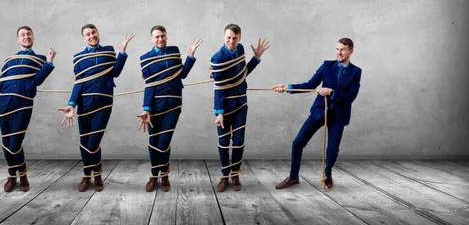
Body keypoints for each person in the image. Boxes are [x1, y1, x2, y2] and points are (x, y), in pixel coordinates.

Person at [0, 26, 56, 192]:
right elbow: (0, 82)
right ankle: (13, 175)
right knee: (6, 143)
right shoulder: (9, 60)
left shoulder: (39, 59)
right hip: (4, 103)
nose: (26, 37)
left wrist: (49, 63)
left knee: (15, 143)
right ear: (18, 40)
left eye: (28, 34)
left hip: (23, 103)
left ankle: (22, 173)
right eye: (22, 35)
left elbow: (37, 81)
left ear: (33, 37)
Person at [273, 38, 362, 190]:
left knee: (332, 151)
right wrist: (287, 87)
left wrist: (331, 92)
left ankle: (327, 174)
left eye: (342, 50)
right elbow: (310, 85)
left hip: (338, 116)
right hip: (319, 112)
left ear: (351, 51)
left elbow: (351, 97)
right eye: (337, 49)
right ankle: (293, 177)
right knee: (297, 143)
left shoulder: (356, 72)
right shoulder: (327, 65)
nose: (338, 53)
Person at [59, 24, 134, 192]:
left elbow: (115, 72)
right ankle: (88, 175)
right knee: (84, 142)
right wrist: (71, 104)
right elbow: (78, 84)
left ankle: (97, 174)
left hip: (103, 103)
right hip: (84, 104)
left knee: (93, 143)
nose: (91, 36)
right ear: (83, 38)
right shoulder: (78, 58)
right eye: (87, 34)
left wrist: (122, 53)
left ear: (98, 33)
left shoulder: (108, 51)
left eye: (93, 32)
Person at [137, 25, 203, 192]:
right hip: (154, 108)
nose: (160, 39)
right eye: (157, 37)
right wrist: (146, 109)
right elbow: (149, 85)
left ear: (166, 36)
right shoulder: (145, 58)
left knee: (163, 143)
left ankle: (164, 175)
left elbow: (182, 74)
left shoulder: (174, 51)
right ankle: (155, 175)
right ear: (151, 39)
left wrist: (191, 56)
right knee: (153, 143)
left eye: (163, 36)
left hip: (173, 105)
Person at [210, 24, 270, 192]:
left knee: (238, 142)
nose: (231, 41)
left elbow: (242, 75)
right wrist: (219, 113)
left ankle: (235, 174)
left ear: (240, 38)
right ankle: (224, 175)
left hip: (241, 105)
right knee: (223, 142)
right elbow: (219, 88)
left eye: (235, 38)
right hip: (224, 107)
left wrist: (256, 58)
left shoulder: (241, 49)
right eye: (228, 38)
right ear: (223, 37)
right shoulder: (217, 58)